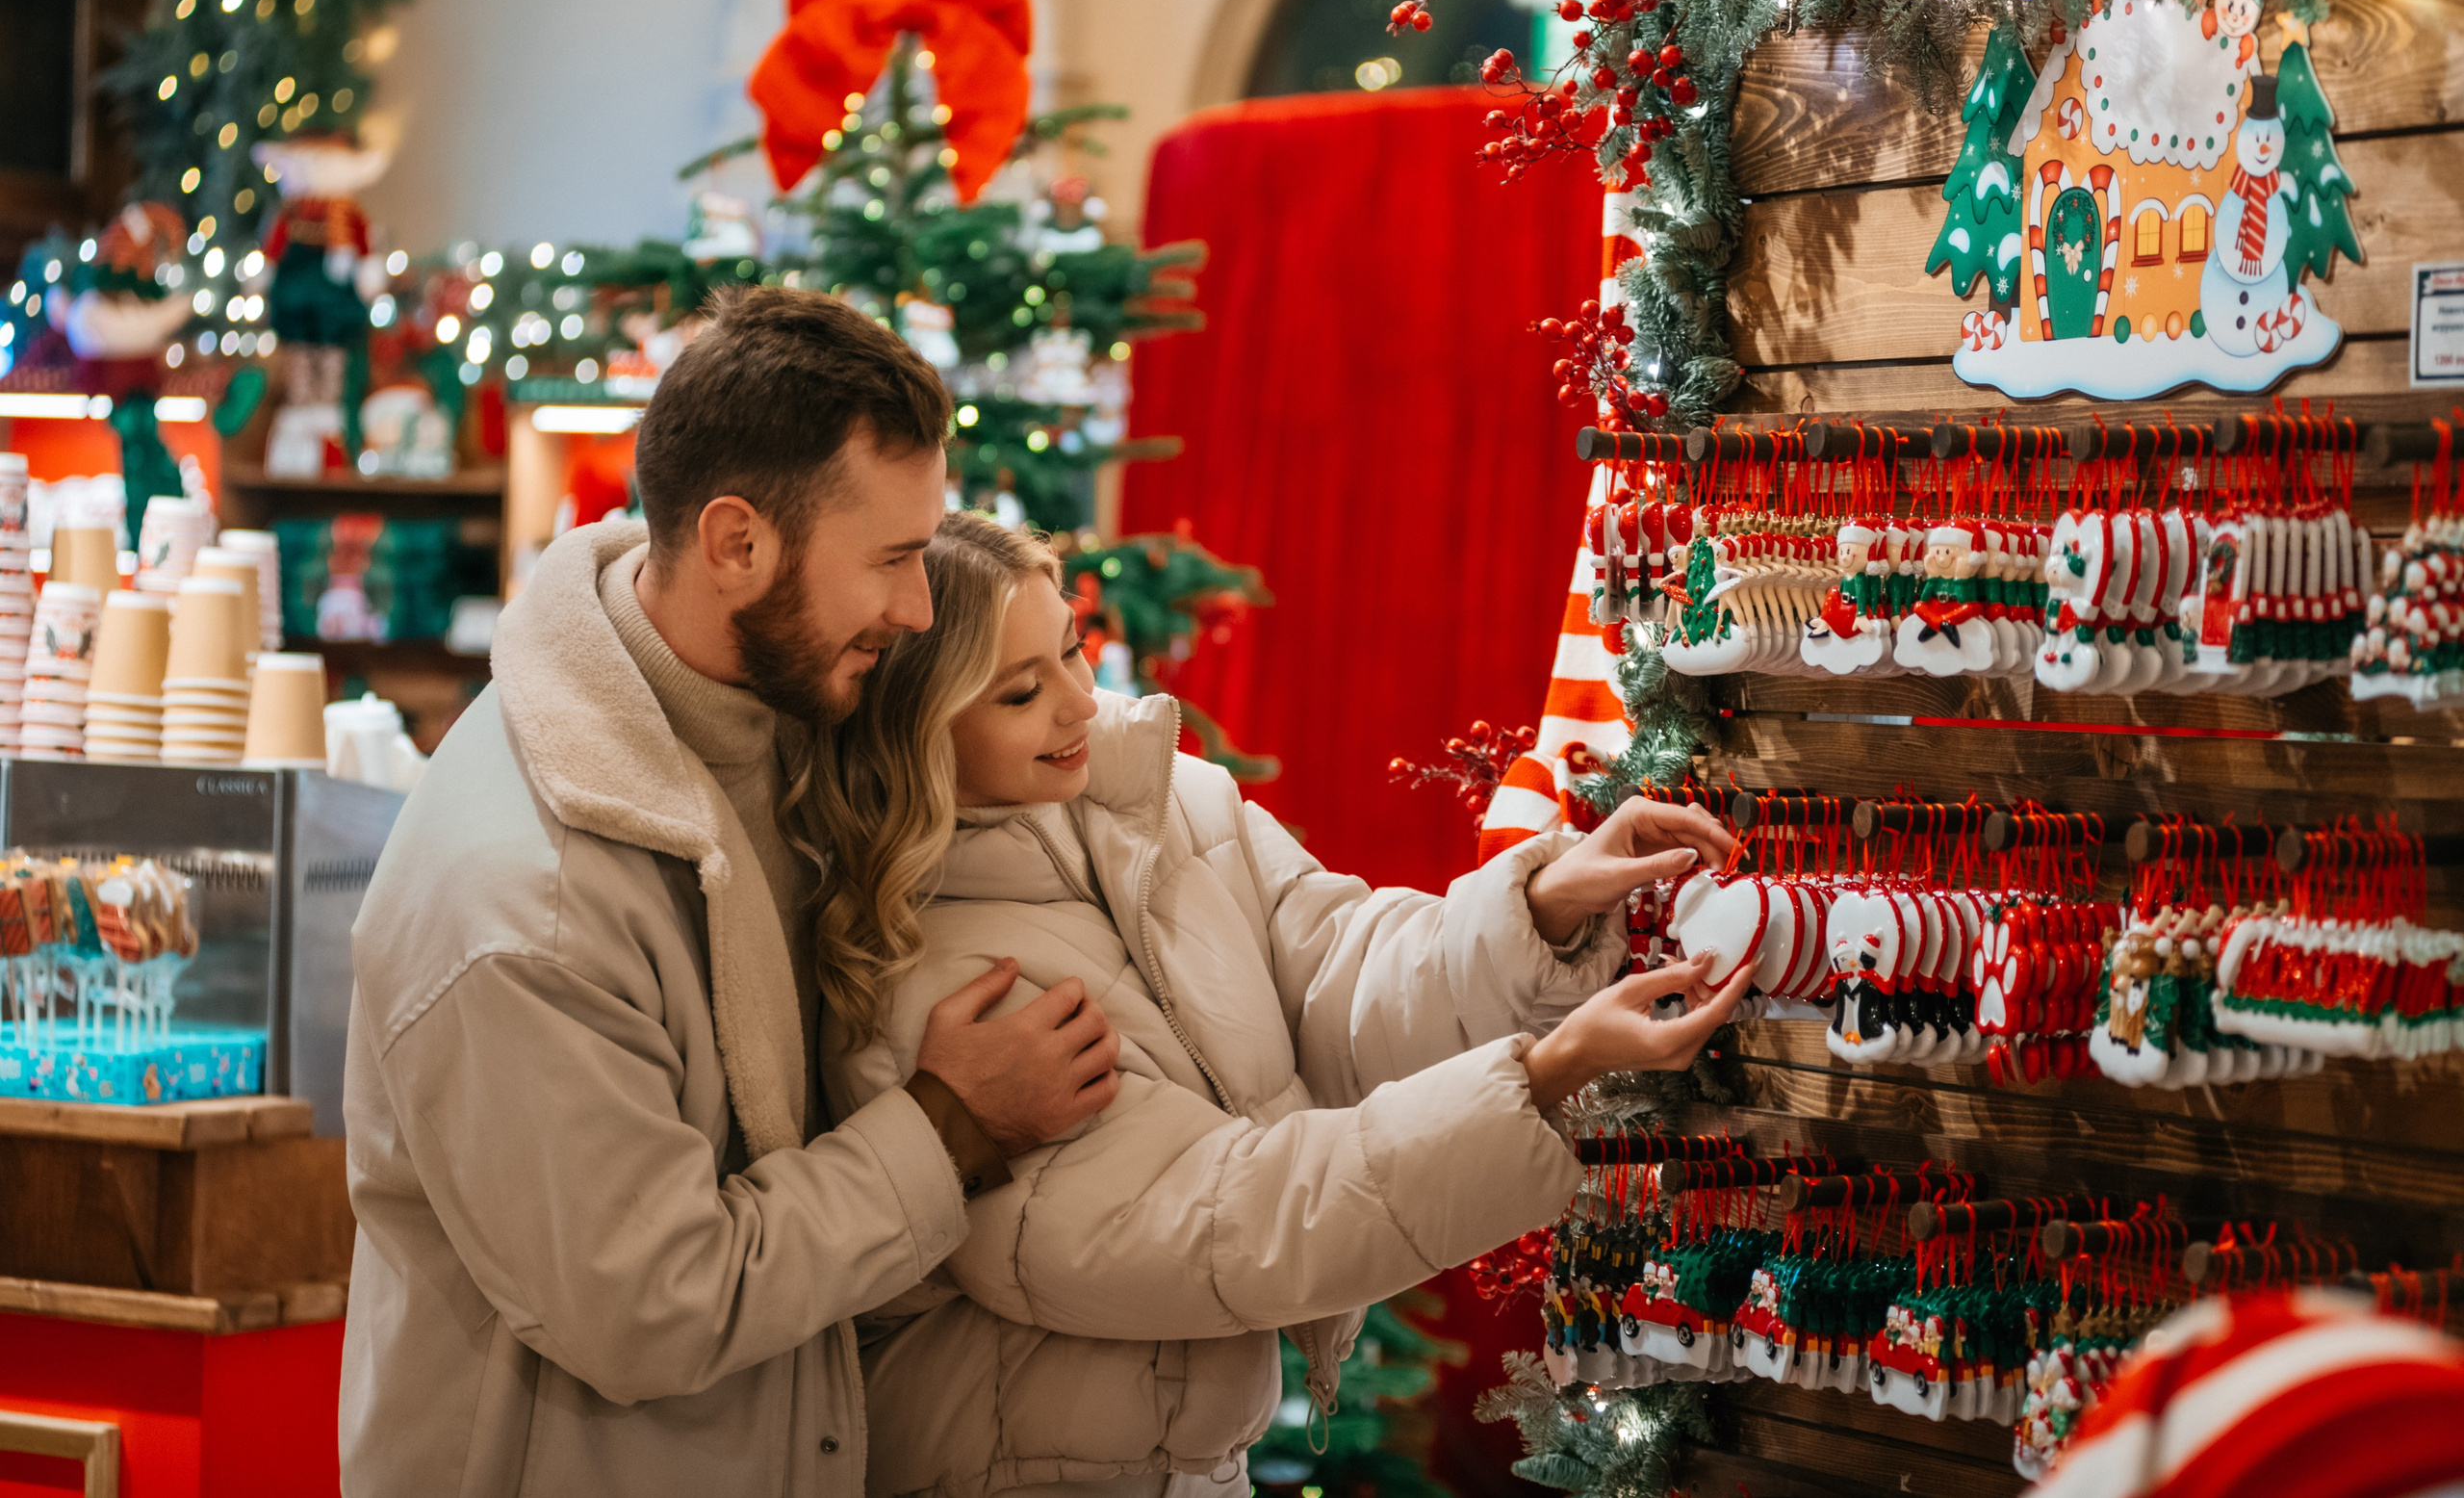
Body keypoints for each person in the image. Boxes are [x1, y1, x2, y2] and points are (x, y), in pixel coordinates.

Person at [339, 291, 1123, 1497]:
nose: (917, 613)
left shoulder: (785, 718)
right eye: (895, 563)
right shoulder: (526, 906)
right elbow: (649, 1307)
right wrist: (948, 1122)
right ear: (736, 544)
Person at [821, 513, 1753, 1498]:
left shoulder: (1172, 804)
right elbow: (1220, 1220)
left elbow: (1337, 969)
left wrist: (1541, 905)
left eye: (1072, 650)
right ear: (919, 731)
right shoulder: (935, 972)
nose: (1082, 702)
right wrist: (1545, 1075)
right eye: (1022, 690)